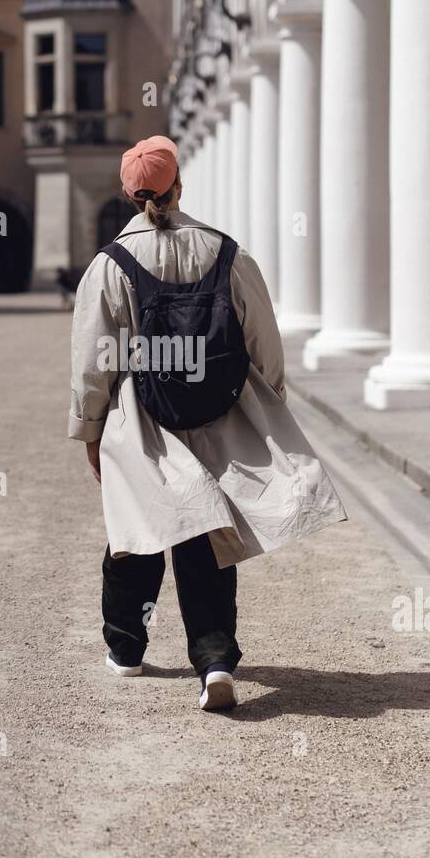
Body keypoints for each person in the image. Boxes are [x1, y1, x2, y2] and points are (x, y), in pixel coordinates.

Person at [69, 135, 346, 712]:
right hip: (219, 407)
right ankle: (215, 660)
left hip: (141, 411)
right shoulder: (226, 252)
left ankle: (125, 649)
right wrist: (266, 400)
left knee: (139, 531)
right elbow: (262, 339)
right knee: (208, 538)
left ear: (129, 194)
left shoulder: (109, 264)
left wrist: (91, 429)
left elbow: (95, 359)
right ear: (178, 185)